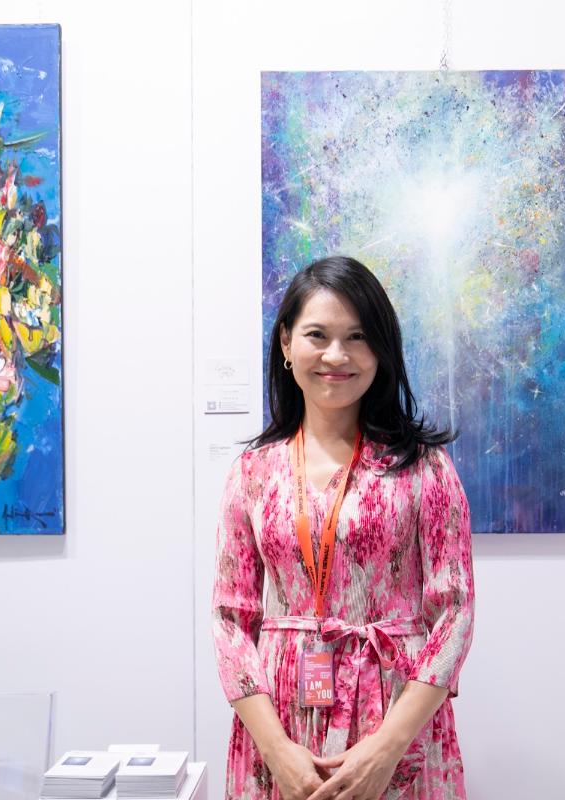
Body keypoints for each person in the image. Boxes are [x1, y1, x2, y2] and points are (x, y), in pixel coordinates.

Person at [212, 255, 475, 800]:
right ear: (286, 343)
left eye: (357, 336)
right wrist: (276, 751)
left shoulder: (424, 468)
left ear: (380, 350)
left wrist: (387, 747)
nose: (337, 355)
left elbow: (455, 613)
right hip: (282, 725)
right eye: (318, 335)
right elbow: (230, 621)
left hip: (395, 721)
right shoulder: (253, 474)